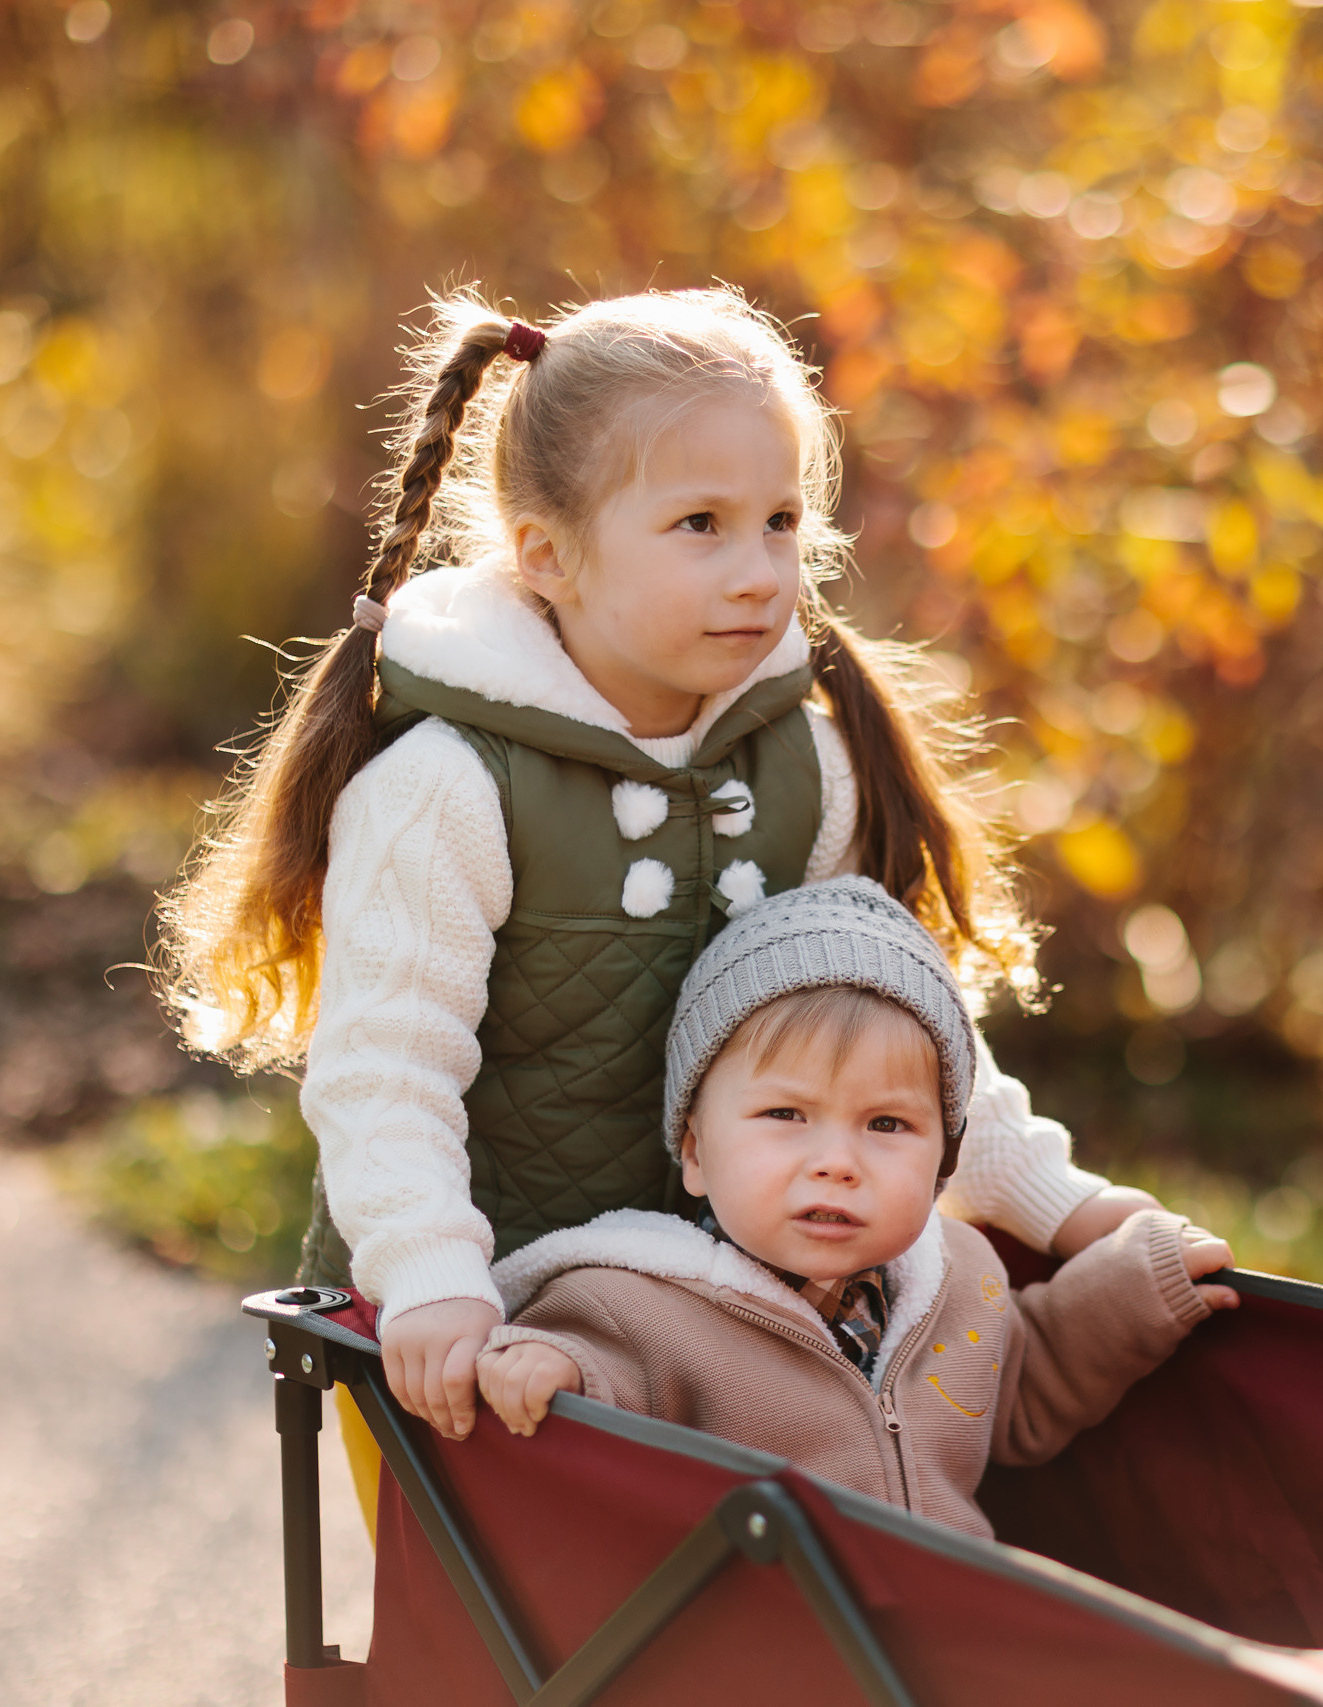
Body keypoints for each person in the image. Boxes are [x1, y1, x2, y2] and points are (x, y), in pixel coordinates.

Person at [156, 288, 1193, 1507]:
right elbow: (386, 1070)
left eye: (779, 523)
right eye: (699, 524)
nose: (759, 573)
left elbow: (897, 1038)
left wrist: (1058, 1205)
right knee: (518, 1651)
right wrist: (434, 1280)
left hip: (736, 1330)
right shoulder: (449, 788)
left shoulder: (806, 764)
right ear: (547, 553)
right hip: (491, 1334)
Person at [476, 878, 1238, 1537]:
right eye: (786, 1115)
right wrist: (554, 1365)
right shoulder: (632, 1307)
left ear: (944, 1158)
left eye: (886, 1124)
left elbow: (1021, 1389)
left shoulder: (960, 1279)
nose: (837, 1161)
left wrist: (1133, 1288)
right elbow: (601, 1386)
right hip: (770, 1654)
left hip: (949, 1645)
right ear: (697, 1152)